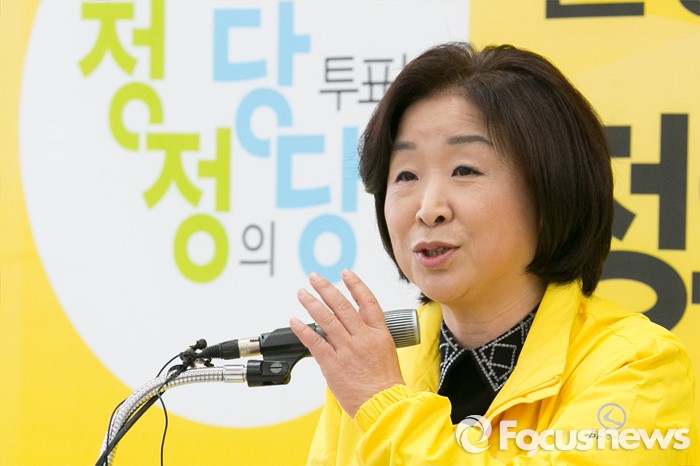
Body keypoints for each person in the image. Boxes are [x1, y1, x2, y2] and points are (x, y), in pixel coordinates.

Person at [289, 42, 699, 465]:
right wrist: (376, 393)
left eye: (465, 170)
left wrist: (383, 405)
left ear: (552, 189)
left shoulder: (638, 365)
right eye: (406, 175)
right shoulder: (379, 361)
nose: (428, 209)